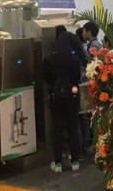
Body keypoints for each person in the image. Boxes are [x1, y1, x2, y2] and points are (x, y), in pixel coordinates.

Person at [43, 32, 83, 173]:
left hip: (57, 98)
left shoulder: (49, 59)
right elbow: (77, 76)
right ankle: (75, 161)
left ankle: (58, 163)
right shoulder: (74, 59)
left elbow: (46, 78)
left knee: (57, 129)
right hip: (72, 97)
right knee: (73, 128)